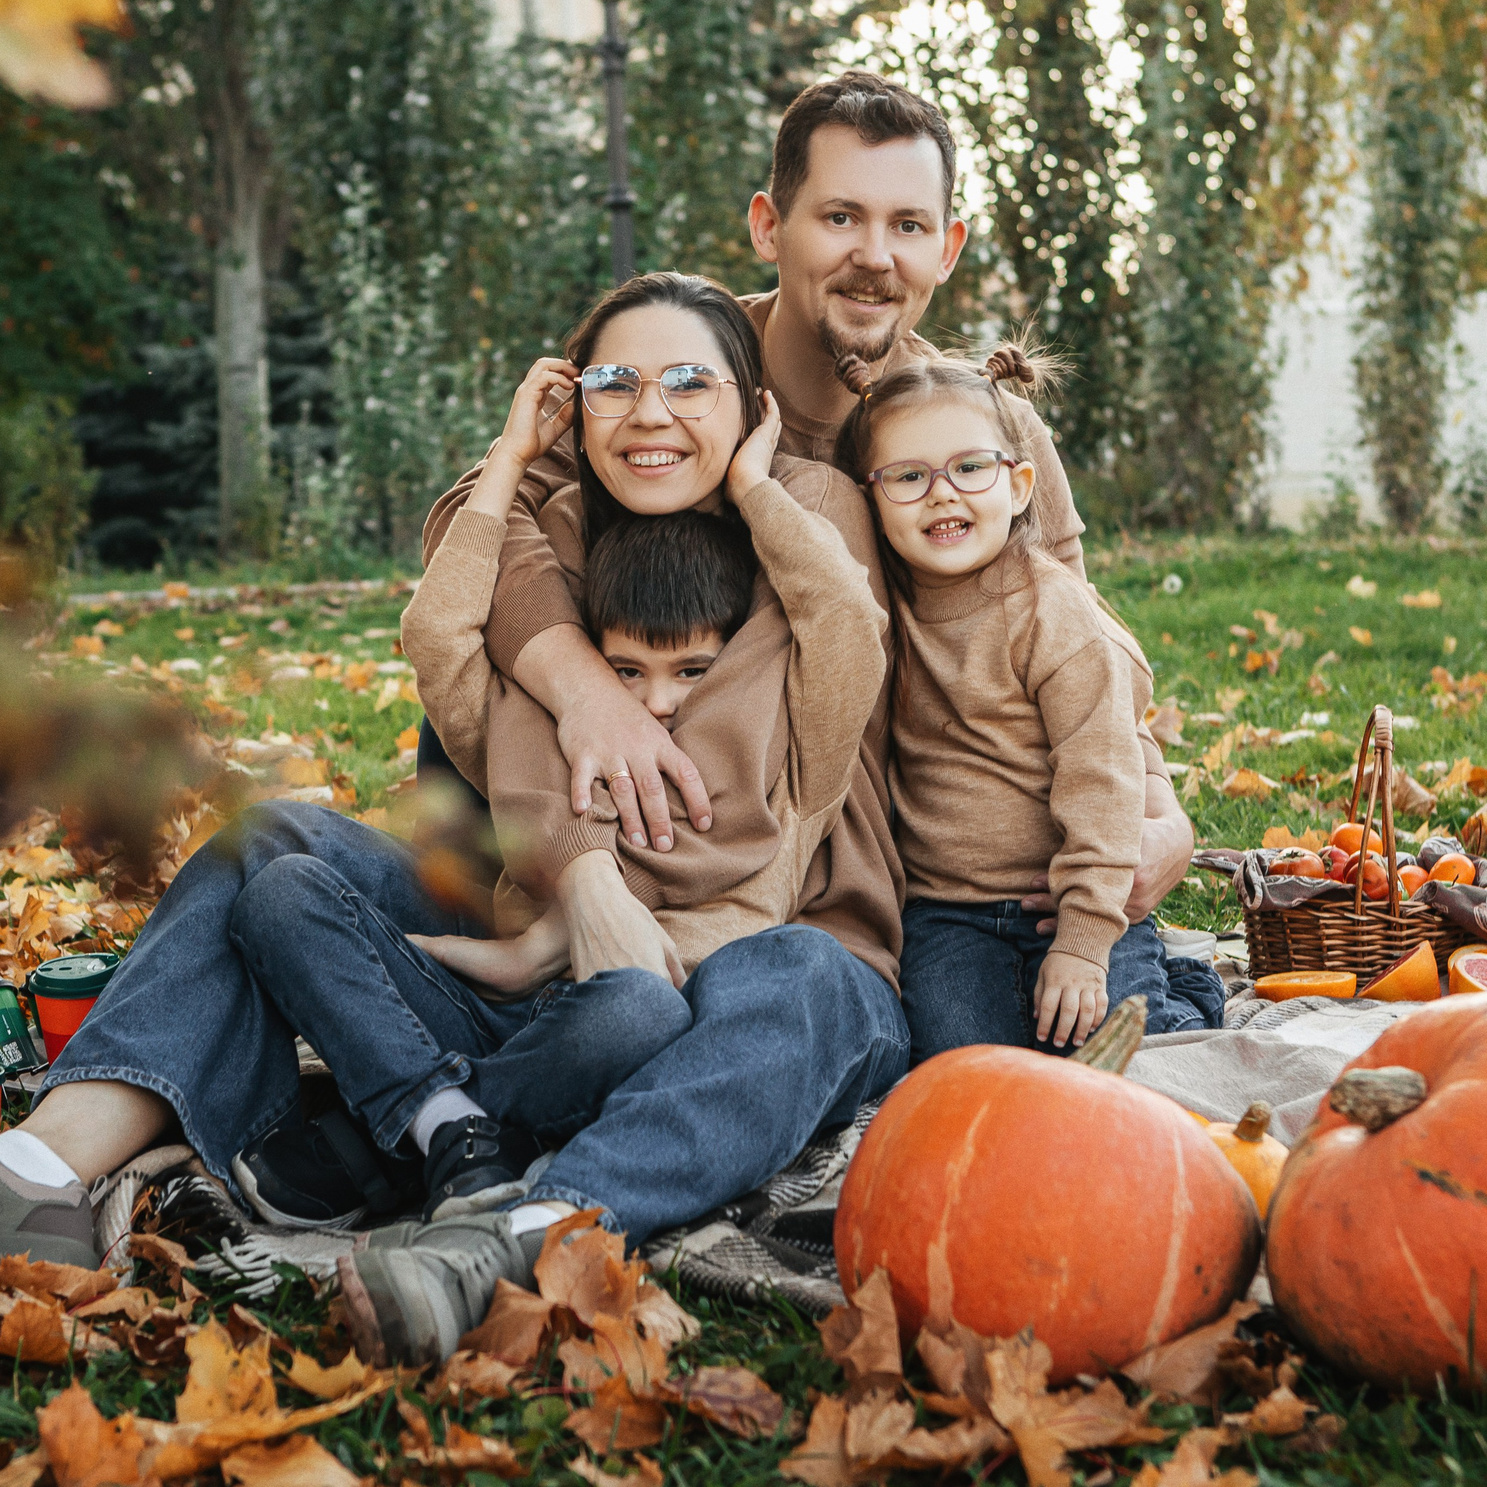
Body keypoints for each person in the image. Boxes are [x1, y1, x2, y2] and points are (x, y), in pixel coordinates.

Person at [419, 71, 1195, 953]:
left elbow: (1069, 646)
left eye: (906, 225)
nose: (874, 254)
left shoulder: (975, 431)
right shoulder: (677, 373)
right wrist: (585, 688)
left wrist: (1161, 812)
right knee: (495, 630)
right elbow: (466, 519)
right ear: (767, 226)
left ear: (947, 247)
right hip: (640, 785)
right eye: (839, 217)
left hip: (857, 827)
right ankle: (487, 923)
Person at [338, 271, 905, 1366]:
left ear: (748, 404)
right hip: (600, 982)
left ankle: (521, 1232)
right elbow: (451, 627)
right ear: (574, 399)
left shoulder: (805, 528)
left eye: (692, 383)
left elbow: (845, 625)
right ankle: (461, 1160)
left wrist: (750, 483)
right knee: (273, 862)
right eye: (615, 383)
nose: (651, 410)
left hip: (789, 949)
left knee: (781, 988)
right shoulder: (552, 542)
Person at [831, 347, 1216, 1060]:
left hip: (1077, 895)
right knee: (962, 1059)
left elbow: (1102, 776)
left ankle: (1185, 987)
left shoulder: (1053, 614)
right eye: (909, 477)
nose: (942, 493)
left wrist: (1082, 939)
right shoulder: (891, 607)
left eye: (969, 468)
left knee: (1114, 1053)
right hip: (949, 911)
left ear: (1018, 485)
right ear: (871, 496)